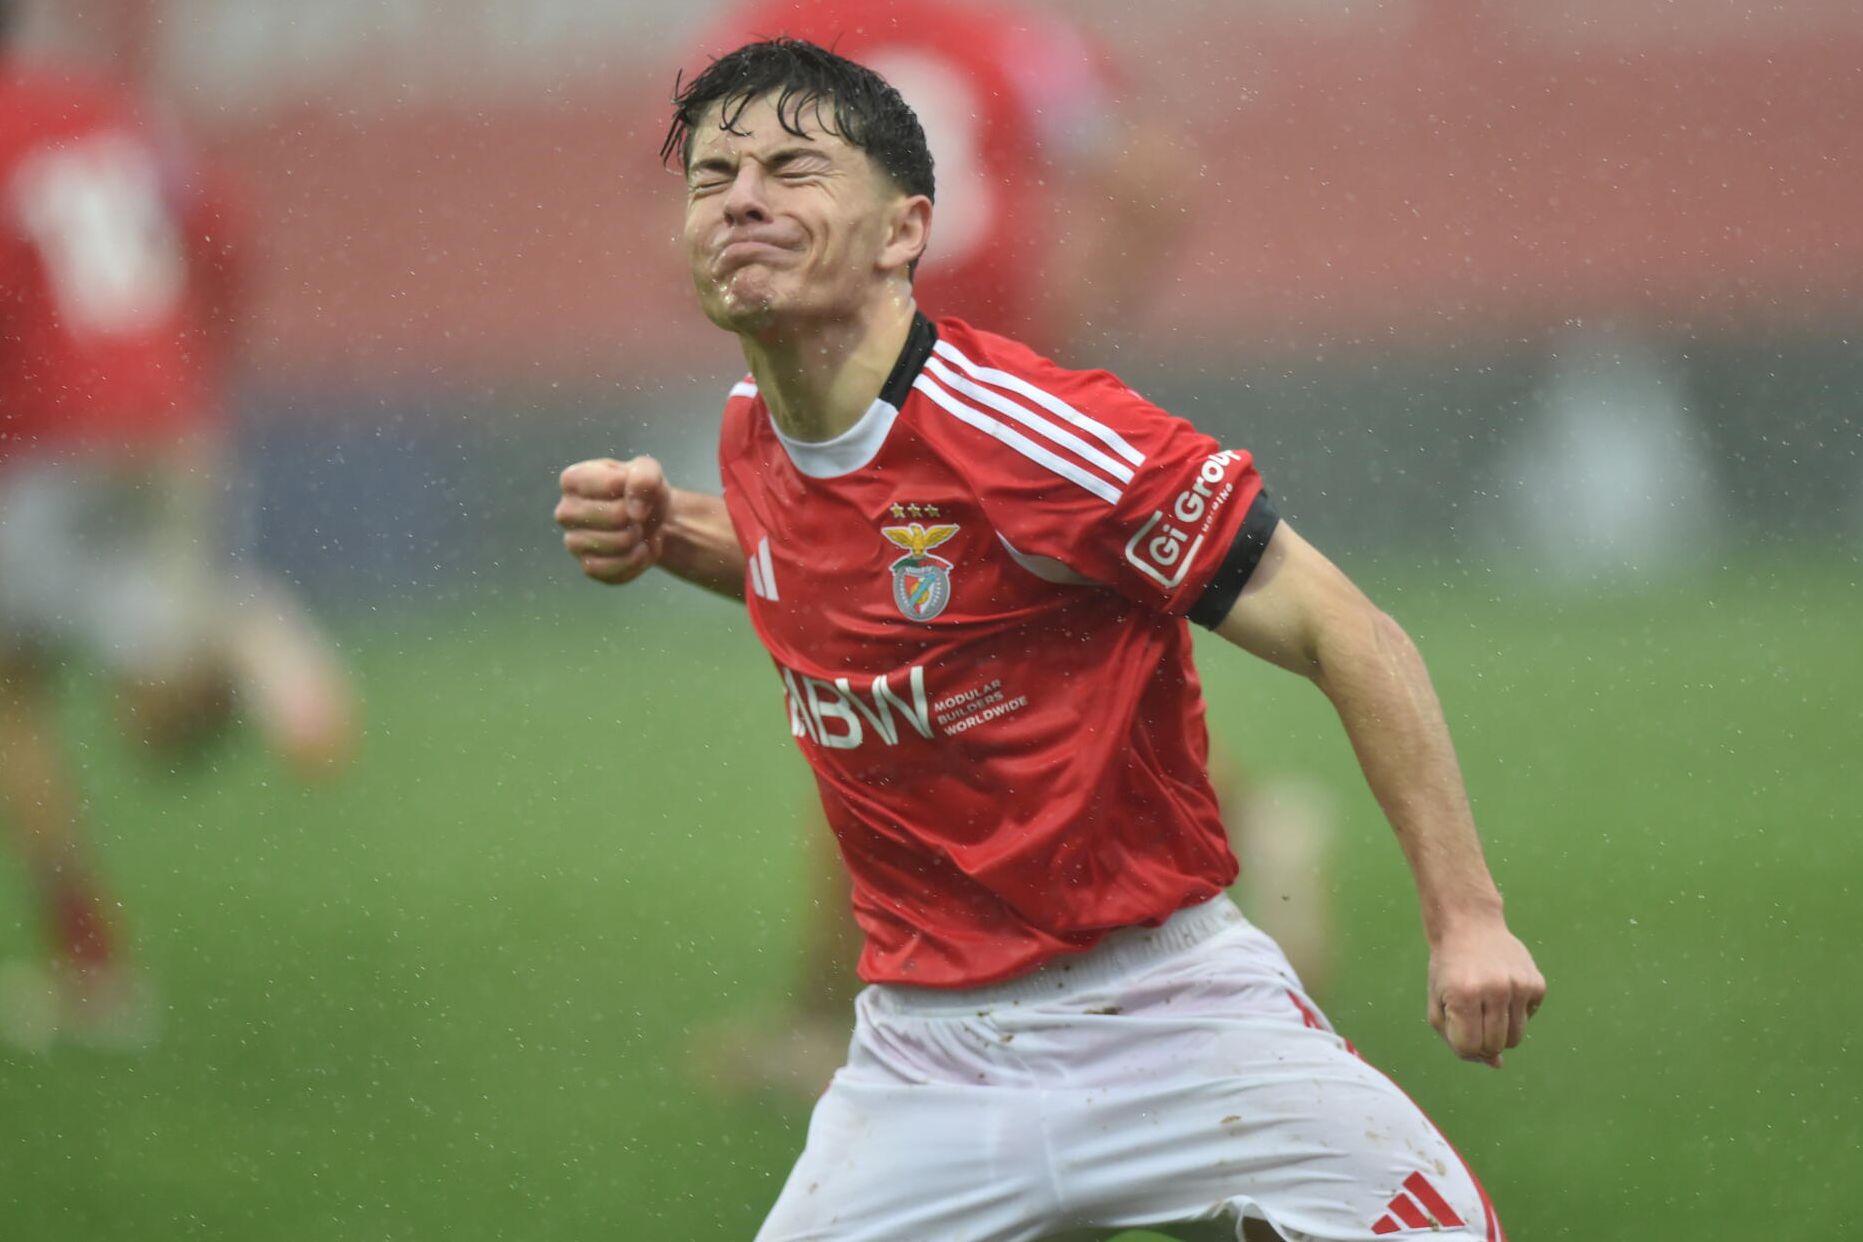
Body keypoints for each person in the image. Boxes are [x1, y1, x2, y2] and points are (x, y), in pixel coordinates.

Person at [557, 40, 1543, 1241]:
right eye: (711, 179)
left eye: (791, 168)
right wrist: (679, 536)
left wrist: (1469, 920)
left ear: (903, 230)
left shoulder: (1036, 436)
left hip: (1173, 1014)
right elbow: (850, 569)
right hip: (924, 1066)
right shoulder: (754, 434)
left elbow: (1347, 627)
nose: (742, 197)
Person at [685, 0, 1336, 1098]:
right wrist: (1071, 320)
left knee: (867, 683)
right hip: (978, 382)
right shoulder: (1001, 38)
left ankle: (825, 1019)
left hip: (888, 399)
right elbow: (1151, 176)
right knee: (992, 683)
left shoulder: (776, 36)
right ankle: (1252, 820)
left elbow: (716, 201)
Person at [0, 0, 357, 1052]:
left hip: (47, 423)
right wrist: (191, 372)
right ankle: (238, 630)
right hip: (168, 412)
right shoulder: (109, 110)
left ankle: (89, 969)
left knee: (14, 689)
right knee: (155, 724)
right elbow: (221, 235)